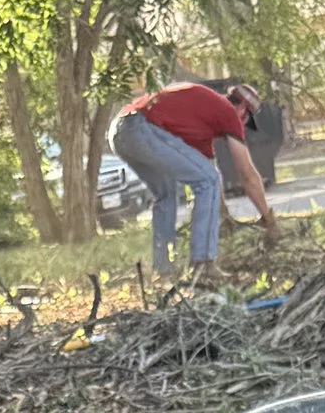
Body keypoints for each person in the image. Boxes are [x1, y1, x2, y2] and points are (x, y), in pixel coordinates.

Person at [110, 80, 280, 274]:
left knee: (167, 195)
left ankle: (163, 270)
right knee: (207, 182)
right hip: (140, 128)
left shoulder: (205, 117)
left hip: (121, 130)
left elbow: (208, 171)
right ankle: (203, 265)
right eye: (247, 118)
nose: (245, 124)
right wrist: (268, 218)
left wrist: (223, 214)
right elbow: (247, 174)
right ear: (241, 106)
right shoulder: (228, 111)